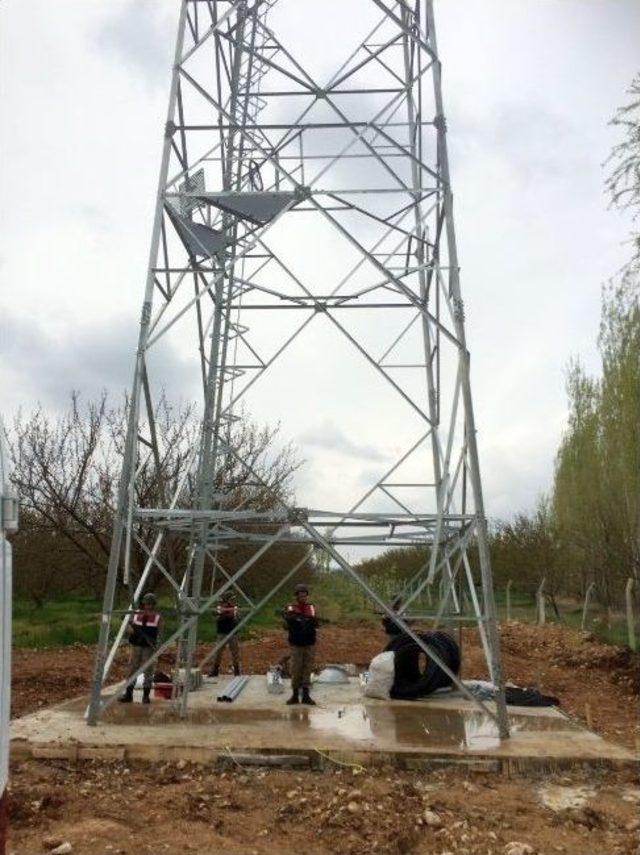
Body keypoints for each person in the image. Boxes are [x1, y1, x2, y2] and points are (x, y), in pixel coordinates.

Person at [119, 592, 161, 704]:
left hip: (148, 647)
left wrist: (158, 644)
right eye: (147, 604)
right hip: (136, 646)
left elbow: (160, 632)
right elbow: (129, 629)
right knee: (132, 669)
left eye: (151, 604)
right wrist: (129, 627)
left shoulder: (157, 616)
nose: (149, 606)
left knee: (148, 671)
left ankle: (146, 696)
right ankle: (128, 694)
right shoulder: (136, 614)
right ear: (143, 604)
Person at [283, 583, 318, 706]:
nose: (303, 597)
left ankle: (306, 695)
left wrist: (302, 620)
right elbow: (290, 621)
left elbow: (313, 621)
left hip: (309, 642)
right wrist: (302, 620)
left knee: (307, 668)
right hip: (296, 643)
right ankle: (295, 694)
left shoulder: (310, 607)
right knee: (296, 668)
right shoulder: (291, 607)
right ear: (296, 596)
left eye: (305, 595)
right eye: (301, 595)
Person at [209, 593, 241, 677]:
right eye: (231, 599)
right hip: (222, 632)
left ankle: (237, 670)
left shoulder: (234, 608)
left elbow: (235, 617)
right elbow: (218, 617)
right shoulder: (220, 607)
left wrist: (225, 614)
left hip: (233, 632)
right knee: (218, 652)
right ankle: (215, 670)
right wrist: (225, 613)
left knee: (235, 652)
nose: (233, 601)